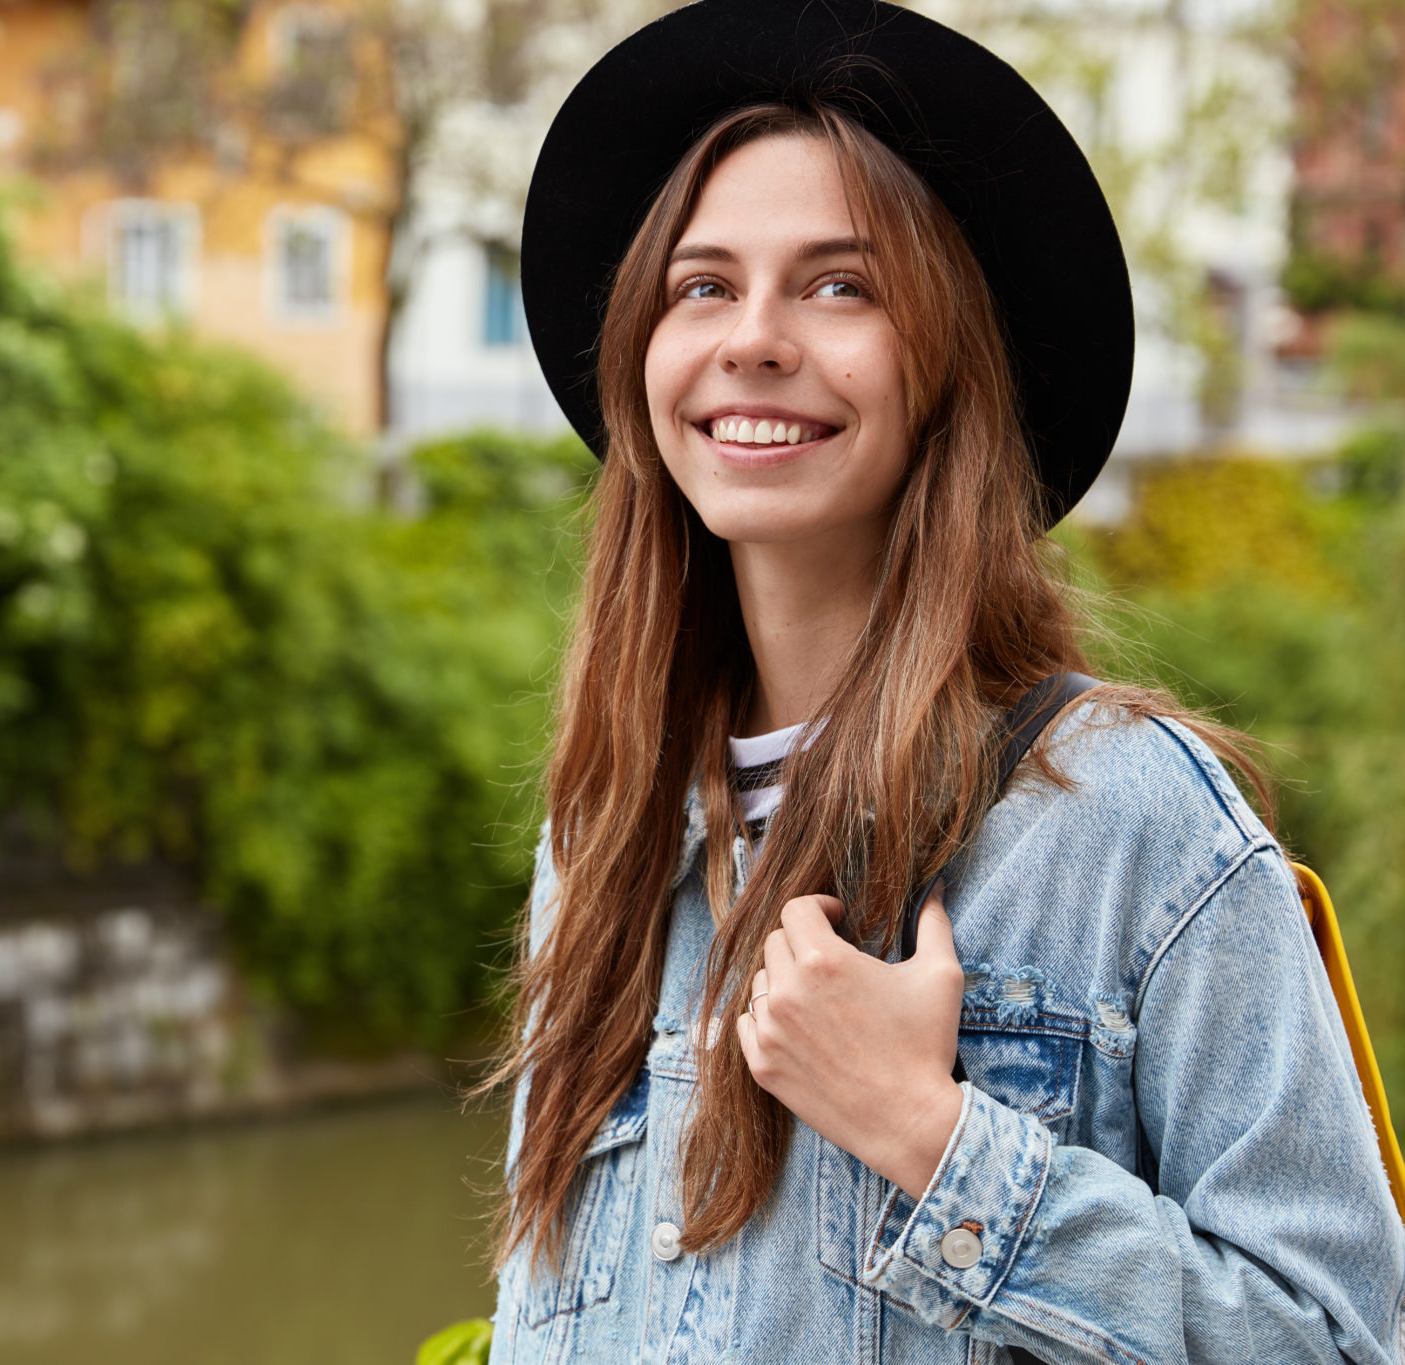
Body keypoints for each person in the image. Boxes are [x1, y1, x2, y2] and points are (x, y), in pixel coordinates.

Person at [485, 2, 1405, 1362]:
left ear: (945, 364)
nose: (754, 337)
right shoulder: (601, 836)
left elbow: (1338, 1337)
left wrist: (937, 1137)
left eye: (840, 284)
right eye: (703, 284)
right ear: (642, 354)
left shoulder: (1129, 826)